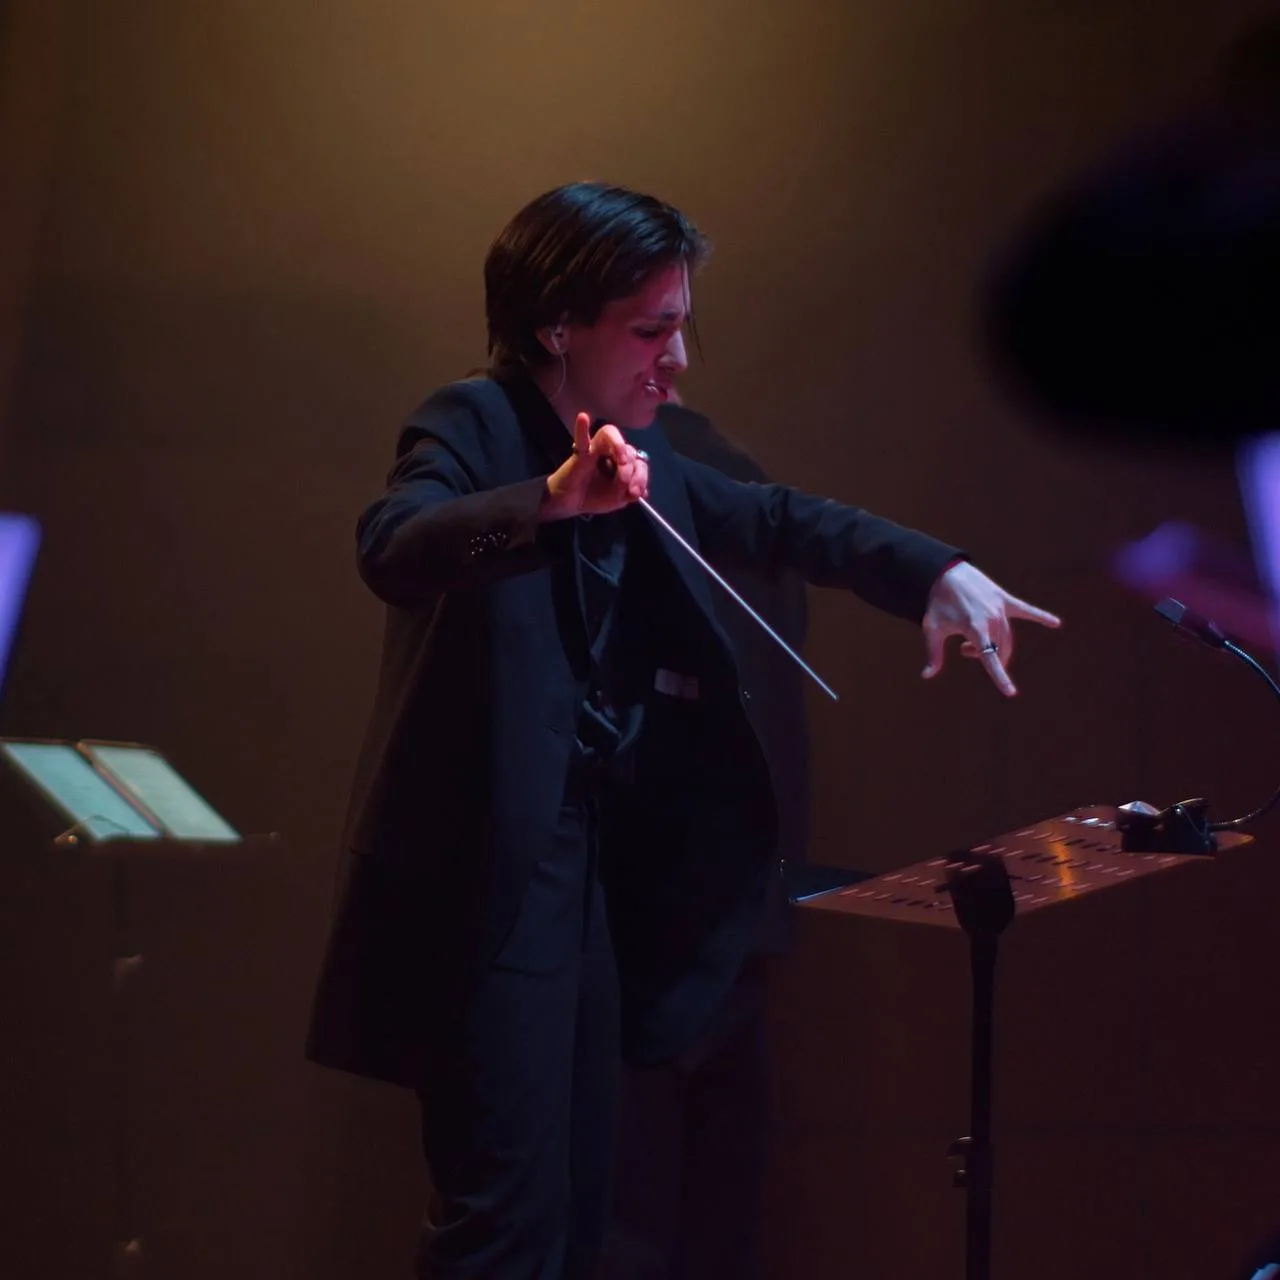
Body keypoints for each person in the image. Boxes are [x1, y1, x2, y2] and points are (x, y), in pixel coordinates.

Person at [304, 180, 1062, 1280]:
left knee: (583, 1214)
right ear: (557, 327)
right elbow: (393, 545)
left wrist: (936, 572)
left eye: (681, 328)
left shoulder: (640, 456)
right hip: (488, 889)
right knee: (502, 1218)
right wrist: (550, 499)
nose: (678, 361)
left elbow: (784, 520)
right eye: (651, 331)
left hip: (588, 883)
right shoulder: (474, 422)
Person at [599, 395, 810, 1280]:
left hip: (637, 920)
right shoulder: (744, 473)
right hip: (742, 916)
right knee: (718, 1227)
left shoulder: (628, 480)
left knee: (619, 1223)